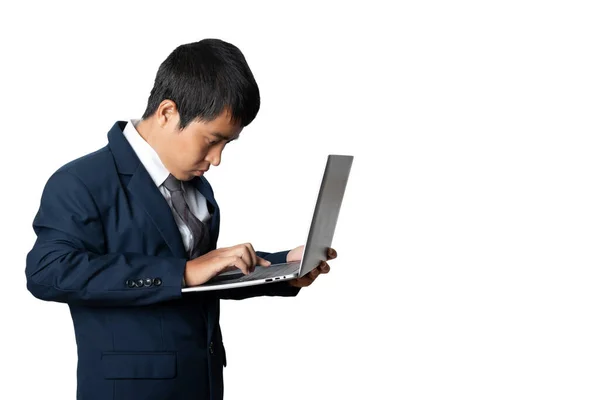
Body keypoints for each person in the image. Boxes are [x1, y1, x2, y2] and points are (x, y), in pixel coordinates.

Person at [25, 38, 337, 400]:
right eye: (211, 140)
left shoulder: (196, 187)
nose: (217, 159)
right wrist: (182, 271)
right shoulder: (80, 181)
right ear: (167, 113)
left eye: (227, 145)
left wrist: (285, 268)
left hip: (201, 385)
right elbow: (47, 272)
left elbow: (202, 281)